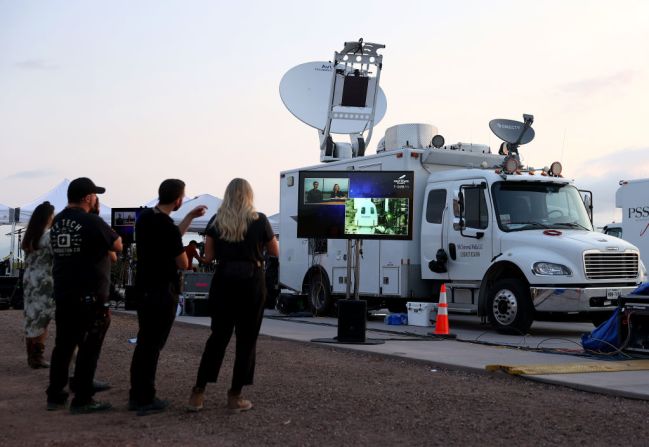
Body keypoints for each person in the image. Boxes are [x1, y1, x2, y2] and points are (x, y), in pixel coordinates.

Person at [187, 178, 279, 413]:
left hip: (224, 282)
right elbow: (274, 250)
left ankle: (198, 393)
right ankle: (235, 395)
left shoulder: (216, 221)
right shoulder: (260, 220)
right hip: (251, 283)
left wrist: (197, 258)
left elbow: (208, 258)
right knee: (246, 341)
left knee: (217, 338)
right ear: (249, 195)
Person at [129, 179, 206, 416]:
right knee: (152, 346)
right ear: (178, 199)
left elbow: (172, 236)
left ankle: (137, 394)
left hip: (143, 289)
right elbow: (182, 261)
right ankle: (145, 398)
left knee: (144, 342)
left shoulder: (146, 219)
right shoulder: (165, 226)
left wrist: (191, 217)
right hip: (162, 290)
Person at [46, 177, 123, 414]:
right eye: (95, 196)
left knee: (63, 345)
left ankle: (56, 394)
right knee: (90, 346)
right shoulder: (91, 220)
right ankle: (83, 398)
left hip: (64, 291)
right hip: (90, 295)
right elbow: (118, 245)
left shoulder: (58, 220)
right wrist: (97, 217)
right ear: (88, 198)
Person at [21, 201, 56, 369]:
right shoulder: (48, 236)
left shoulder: (29, 236)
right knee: (43, 319)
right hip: (44, 281)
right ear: (48, 217)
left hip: (29, 280)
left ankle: (31, 355)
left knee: (32, 317)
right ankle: (38, 356)